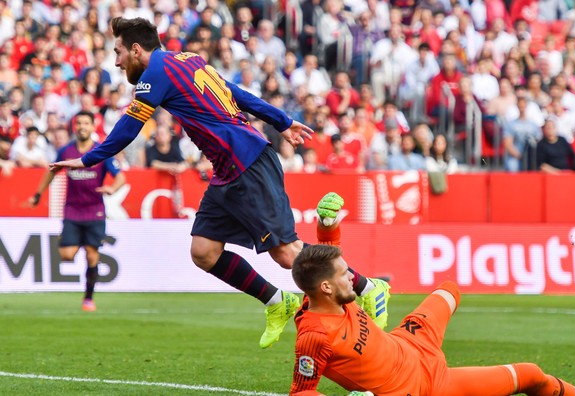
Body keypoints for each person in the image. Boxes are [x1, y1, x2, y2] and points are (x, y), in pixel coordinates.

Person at [49, 17, 389, 348]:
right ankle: (276, 301)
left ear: (137, 50)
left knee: (287, 254)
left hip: (247, 161)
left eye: (119, 52)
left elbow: (129, 126)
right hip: (228, 169)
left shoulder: (153, 74)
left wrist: (87, 158)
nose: (117, 61)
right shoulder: (188, 59)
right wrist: (281, 120)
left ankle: (368, 286)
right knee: (204, 251)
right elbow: (234, 92)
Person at [290, 244, 575, 395]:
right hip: (423, 386)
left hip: (411, 341)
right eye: (344, 274)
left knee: (449, 289)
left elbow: (323, 264)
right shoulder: (315, 336)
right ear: (326, 287)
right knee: (529, 373)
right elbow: (301, 392)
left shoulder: (323, 294)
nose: (353, 276)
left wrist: (327, 226)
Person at [28, 111, 126, 312]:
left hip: (95, 210)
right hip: (72, 210)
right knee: (67, 255)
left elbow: (120, 177)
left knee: (92, 255)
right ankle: (74, 239)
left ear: (92, 127)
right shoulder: (65, 152)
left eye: (86, 123)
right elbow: (51, 172)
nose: (82, 126)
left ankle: (88, 299)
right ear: (74, 126)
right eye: (79, 123)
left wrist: (112, 188)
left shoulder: (102, 151)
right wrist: (38, 194)